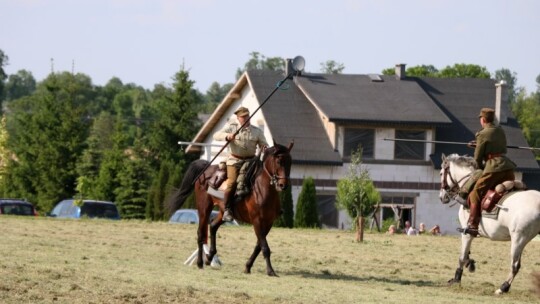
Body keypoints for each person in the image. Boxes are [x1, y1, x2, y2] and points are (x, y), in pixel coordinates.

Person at [459, 108, 516, 237]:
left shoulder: (482, 134)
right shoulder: (500, 130)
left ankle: (472, 225)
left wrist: (479, 168)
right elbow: (498, 147)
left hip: (493, 168)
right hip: (507, 166)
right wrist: (479, 144)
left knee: (475, 193)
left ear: (483, 119)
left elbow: (478, 157)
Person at [213, 106, 268, 222]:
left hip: (251, 162)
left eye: (247, 116)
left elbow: (264, 144)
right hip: (234, 161)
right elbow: (216, 135)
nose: (246, 118)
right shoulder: (231, 127)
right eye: (243, 117)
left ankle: (268, 205)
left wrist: (264, 147)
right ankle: (227, 209)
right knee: (232, 182)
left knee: (264, 179)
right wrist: (227, 136)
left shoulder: (257, 131)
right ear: (238, 118)